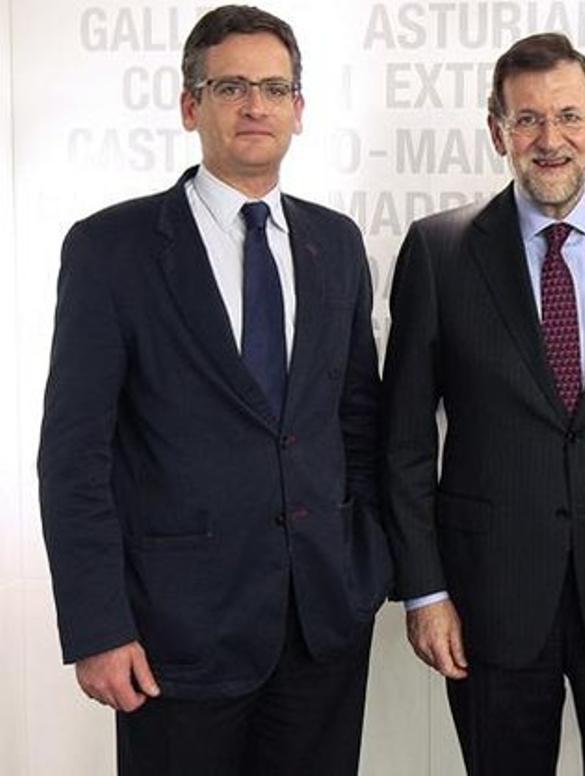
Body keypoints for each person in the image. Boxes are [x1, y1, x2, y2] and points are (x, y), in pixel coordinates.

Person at [37, 6, 391, 774]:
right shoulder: (111, 249)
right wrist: (98, 625)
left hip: (322, 624)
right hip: (175, 635)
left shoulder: (336, 242)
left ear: (300, 109)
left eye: (274, 88)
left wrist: (364, 568)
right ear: (191, 105)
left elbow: (356, 419)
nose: (255, 105)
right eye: (231, 86)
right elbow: (75, 456)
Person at [382, 31, 585, 776]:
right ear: (497, 131)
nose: (549, 139)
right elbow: (402, 442)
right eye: (527, 119)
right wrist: (424, 591)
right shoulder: (439, 252)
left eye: (567, 116)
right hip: (489, 599)